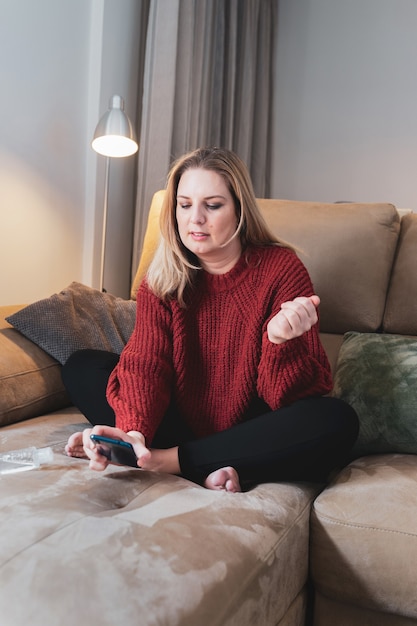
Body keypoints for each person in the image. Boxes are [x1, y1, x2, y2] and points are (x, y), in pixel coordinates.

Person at [64, 147, 358, 492]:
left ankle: (168, 462)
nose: (195, 219)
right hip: (181, 420)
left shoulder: (282, 269)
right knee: (83, 366)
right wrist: (133, 433)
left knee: (336, 419)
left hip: (253, 427)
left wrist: (280, 343)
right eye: (185, 205)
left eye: (213, 205)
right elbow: (147, 363)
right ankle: (195, 464)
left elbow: (293, 398)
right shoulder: (161, 278)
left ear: (239, 210)